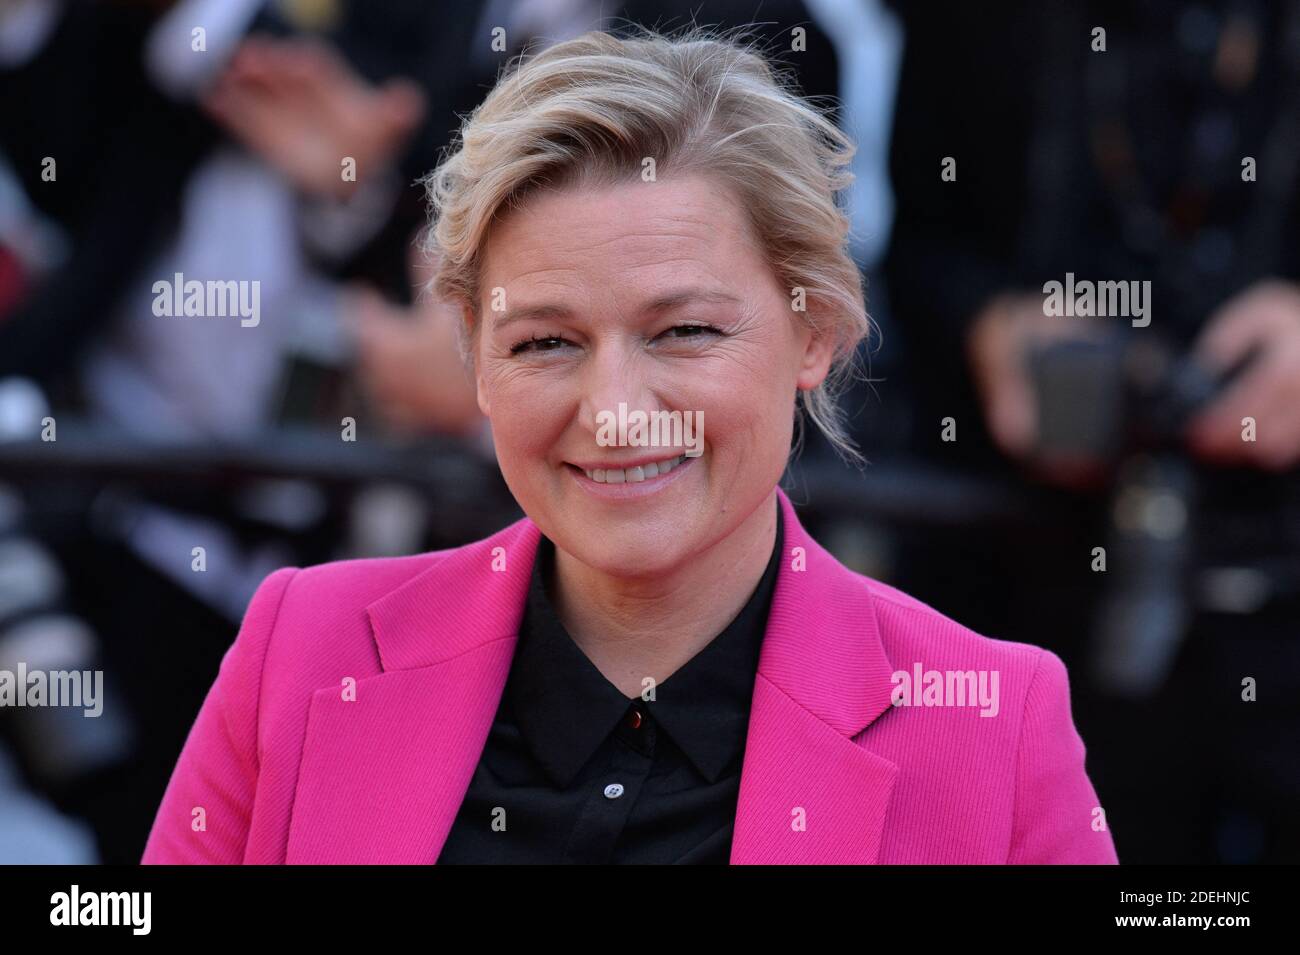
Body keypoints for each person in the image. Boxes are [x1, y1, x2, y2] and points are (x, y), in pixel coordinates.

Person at [140, 26, 1117, 865]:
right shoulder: (304, 650)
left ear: (812, 332)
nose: (614, 410)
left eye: (684, 330)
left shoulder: (993, 722)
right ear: (476, 361)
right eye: (546, 342)